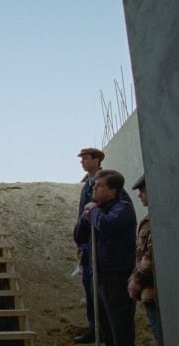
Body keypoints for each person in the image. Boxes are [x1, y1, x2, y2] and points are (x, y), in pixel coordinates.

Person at [75, 169, 137, 346]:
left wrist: (93, 212)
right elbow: (79, 236)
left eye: (99, 185)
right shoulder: (97, 210)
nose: (93, 188)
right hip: (99, 274)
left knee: (120, 327)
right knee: (105, 327)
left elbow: (108, 225)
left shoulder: (123, 208)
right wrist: (85, 216)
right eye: (94, 184)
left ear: (113, 191)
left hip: (117, 275)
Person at [73, 147, 104, 343]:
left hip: (100, 243)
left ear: (97, 160)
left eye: (86, 158)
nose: (82, 161)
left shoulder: (104, 182)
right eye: (81, 158)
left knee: (99, 289)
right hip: (87, 243)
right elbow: (80, 214)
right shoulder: (86, 185)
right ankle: (93, 327)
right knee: (89, 287)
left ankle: (103, 329)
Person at [128, 174, 162, 345]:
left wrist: (136, 280)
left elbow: (149, 259)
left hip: (154, 290)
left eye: (143, 191)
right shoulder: (150, 219)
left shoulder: (158, 220)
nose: (140, 195)